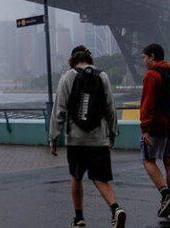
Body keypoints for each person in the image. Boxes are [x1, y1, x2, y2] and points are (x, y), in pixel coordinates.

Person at [49, 46, 126, 228]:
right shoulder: (102, 76)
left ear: (72, 59)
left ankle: (79, 218)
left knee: (76, 177)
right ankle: (116, 209)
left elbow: (58, 109)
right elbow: (110, 109)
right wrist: (112, 134)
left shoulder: (68, 76)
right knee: (101, 178)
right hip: (99, 139)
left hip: (76, 140)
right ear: (90, 59)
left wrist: (53, 137)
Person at [140, 43, 170, 222]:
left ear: (152, 56)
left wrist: (145, 128)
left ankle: (166, 195)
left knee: (148, 160)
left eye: (144, 57)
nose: (143, 61)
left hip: (158, 127)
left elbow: (147, 103)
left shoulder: (152, 75)